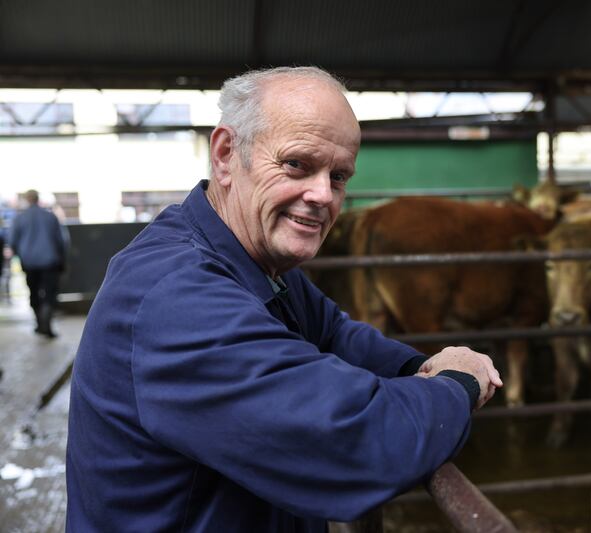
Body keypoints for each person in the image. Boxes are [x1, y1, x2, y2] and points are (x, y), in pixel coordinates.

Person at [66, 66, 503, 532]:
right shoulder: (177, 297)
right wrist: (458, 384)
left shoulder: (251, 261)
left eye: (338, 176)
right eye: (297, 164)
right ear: (226, 155)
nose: (322, 195)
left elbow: (333, 332)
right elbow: (356, 442)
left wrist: (414, 368)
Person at [9, 189, 67, 337]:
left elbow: (12, 241)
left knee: (33, 292)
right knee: (50, 293)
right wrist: (62, 258)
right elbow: (62, 240)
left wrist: (20, 255)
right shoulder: (50, 217)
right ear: (37, 199)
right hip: (50, 261)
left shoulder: (19, 219)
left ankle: (40, 323)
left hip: (29, 263)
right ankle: (46, 323)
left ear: (27, 200)